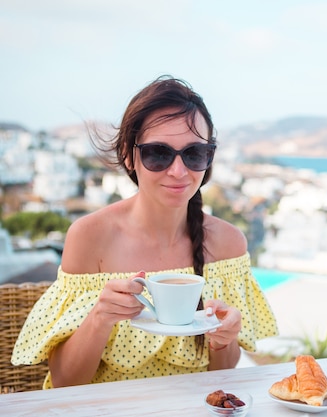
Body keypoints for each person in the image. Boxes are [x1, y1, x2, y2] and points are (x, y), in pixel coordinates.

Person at [12, 75, 278, 388]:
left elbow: (221, 376)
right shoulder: (89, 237)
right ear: (128, 155)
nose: (178, 171)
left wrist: (224, 339)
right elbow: (65, 383)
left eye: (194, 153)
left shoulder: (229, 244)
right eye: (158, 153)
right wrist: (100, 316)